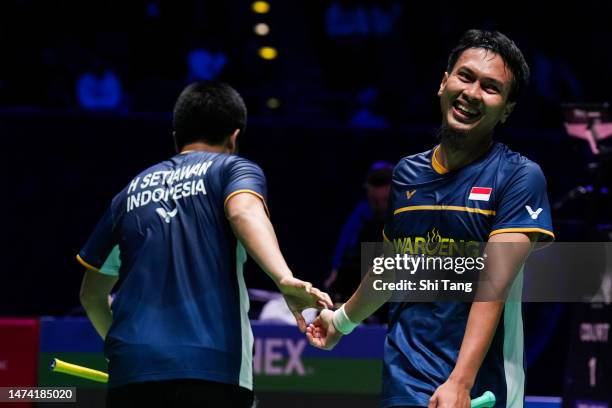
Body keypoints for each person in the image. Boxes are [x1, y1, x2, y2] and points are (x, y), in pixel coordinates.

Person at [307, 30, 555, 408]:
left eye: (491, 88)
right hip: (403, 379)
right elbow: (391, 270)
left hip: (479, 390)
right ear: (444, 82)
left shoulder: (519, 177)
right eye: (465, 76)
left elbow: (493, 288)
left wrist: (460, 382)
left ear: (506, 108)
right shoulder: (407, 174)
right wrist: (340, 321)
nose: (472, 93)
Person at [77, 81, 332, 407]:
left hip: (133, 372)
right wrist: (283, 278)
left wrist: (120, 352)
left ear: (175, 134)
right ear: (234, 137)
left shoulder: (129, 194)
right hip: (211, 368)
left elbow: (91, 294)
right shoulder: (233, 169)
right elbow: (243, 211)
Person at [325, 161, 393, 308]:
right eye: (376, 199)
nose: (380, 202)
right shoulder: (362, 214)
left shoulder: (406, 212)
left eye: (385, 199)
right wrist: (335, 271)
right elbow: (345, 243)